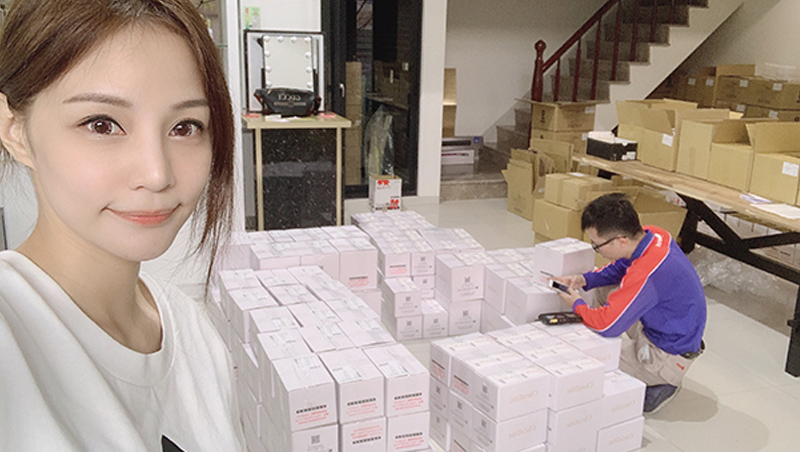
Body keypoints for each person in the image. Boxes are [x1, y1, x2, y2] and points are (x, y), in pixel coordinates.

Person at [0, 0, 244, 450]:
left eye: (185, 127)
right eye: (102, 124)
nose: (157, 174)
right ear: (14, 129)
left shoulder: (192, 333)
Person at [553, 192, 707, 414]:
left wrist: (577, 305)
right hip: (668, 324)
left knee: (584, 356)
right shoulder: (654, 235)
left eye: (597, 245)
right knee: (604, 290)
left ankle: (662, 382)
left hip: (667, 353)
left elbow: (607, 327)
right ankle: (628, 353)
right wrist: (585, 280)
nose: (596, 249)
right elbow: (622, 266)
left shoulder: (647, 272)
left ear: (620, 240)